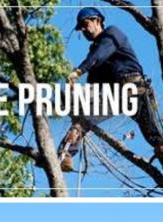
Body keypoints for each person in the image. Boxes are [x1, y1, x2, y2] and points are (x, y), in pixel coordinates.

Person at [58, 7, 163, 172]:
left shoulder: (112, 34)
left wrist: (78, 71)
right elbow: (93, 82)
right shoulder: (94, 52)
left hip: (134, 89)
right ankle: (63, 156)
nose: (84, 30)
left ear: (97, 20)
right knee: (82, 121)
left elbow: (100, 54)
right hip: (116, 96)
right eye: (81, 28)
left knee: (155, 137)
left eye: (85, 24)